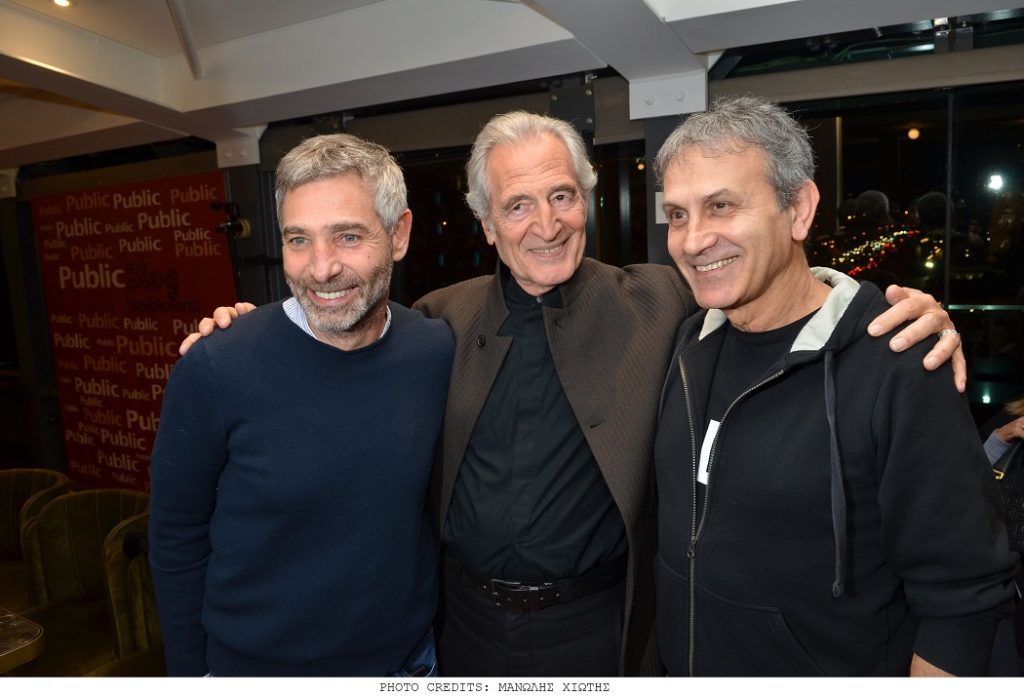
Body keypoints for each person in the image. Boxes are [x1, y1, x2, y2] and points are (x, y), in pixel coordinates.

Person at [181, 112, 964, 676]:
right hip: (459, 628)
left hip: (600, 629)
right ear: (487, 225)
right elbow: (343, 340)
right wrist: (246, 328)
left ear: (586, 200)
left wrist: (876, 310)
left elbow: (764, 286)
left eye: (561, 196)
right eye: (517, 206)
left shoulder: (661, 299)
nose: (545, 224)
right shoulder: (437, 320)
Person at [652, 95, 1018, 677]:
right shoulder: (686, 343)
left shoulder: (899, 360)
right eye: (677, 215)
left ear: (799, 209)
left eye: (721, 206)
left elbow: (962, 602)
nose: (693, 240)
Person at [149, 134, 454, 676]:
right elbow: (176, 535)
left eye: (348, 236)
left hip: (410, 663)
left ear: (399, 234)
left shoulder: (433, 350)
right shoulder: (217, 366)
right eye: (298, 240)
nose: (321, 268)